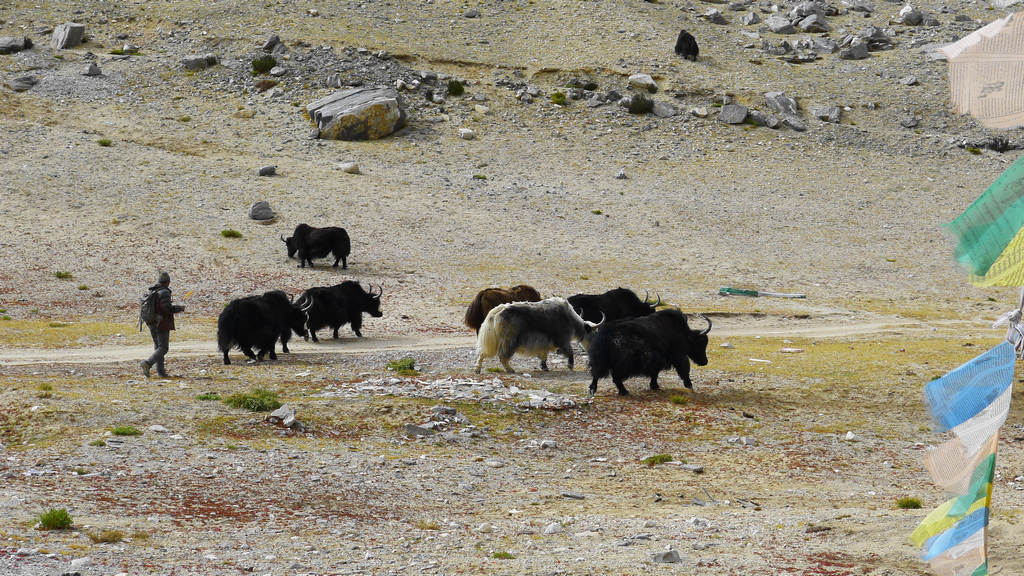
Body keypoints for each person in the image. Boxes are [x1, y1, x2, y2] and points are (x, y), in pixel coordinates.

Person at [140, 271, 184, 378]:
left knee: (158, 347)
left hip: (151, 322)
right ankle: (148, 363)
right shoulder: (164, 292)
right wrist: (179, 308)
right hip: (161, 323)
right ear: (168, 282)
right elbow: (166, 309)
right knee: (164, 348)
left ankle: (161, 372)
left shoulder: (153, 291)